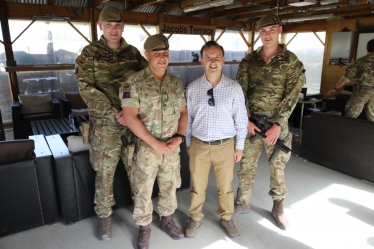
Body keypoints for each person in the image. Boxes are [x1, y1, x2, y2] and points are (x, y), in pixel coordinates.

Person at [74, 6, 147, 241]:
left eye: (118, 25)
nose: (114, 29)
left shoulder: (134, 54)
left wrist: (132, 112)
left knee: (137, 171)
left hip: (132, 124)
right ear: (100, 26)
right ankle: (104, 217)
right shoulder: (89, 54)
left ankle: (143, 217)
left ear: (123, 26)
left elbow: (145, 82)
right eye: (109, 25)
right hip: (105, 126)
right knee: (104, 173)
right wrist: (114, 111)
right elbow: (85, 87)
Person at [234, 14, 306, 230]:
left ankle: (278, 206)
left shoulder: (291, 61)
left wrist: (279, 123)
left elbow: (293, 94)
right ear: (259, 33)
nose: (267, 35)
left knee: (277, 166)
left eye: (271, 30)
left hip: (276, 123)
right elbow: (240, 91)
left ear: (280, 30)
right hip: (251, 123)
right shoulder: (249, 61)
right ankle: (242, 201)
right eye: (263, 31)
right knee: (246, 165)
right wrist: (245, 119)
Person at [120, 34, 188, 249]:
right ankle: (144, 227)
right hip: (146, 149)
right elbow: (130, 117)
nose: (162, 57)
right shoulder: (133, 83)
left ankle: (167, 219)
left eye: (165, 53)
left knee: (169, 186)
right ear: (146, 55)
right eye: (156, 53)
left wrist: (180, 137)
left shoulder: (176, 83)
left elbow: (184, 113)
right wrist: (154, 143)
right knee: (143, 189)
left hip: (171, 147)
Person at [184, 41, 248, 238]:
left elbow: (242, 119)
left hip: (225, 146)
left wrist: (239, 146)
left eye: (217, 57)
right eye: (208, 57)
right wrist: (188, 143)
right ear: (201, 61)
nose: (213, 61)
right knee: (197, 187)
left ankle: (226, 217)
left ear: (223, 60)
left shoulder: (234, 88)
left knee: (225, 187)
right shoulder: (193, 88)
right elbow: (188, 119)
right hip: (199, 145)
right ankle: (195, 217)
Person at [326, 39, 374, 122]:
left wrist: (335, 88)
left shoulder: (360, 61)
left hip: (361, 92)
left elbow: (347, 77)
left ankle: (344, 134)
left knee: (350, 116)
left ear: (367, 48)